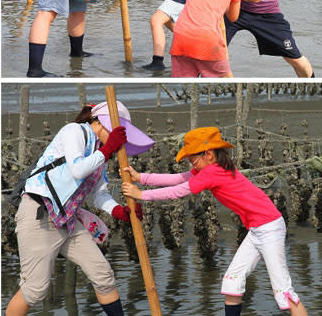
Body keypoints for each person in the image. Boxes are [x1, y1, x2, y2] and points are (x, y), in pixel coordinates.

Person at [122, 126, 308, 316]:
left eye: (192, 159)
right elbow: (178, 178)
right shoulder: (214, 168)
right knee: (232, 282)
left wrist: (142, 195)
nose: (191, 164)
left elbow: (180, 191)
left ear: (208, 154)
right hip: (257, 230)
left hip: (269, 229)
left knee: (284, 292)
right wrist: (142, 177)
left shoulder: (213, 173)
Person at [5, 102, 154, 316]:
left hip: (67, 220)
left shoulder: (99, 155)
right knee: (35, 290)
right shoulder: (74, 131)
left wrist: (120, 212)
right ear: (103, 124)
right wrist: (108, 149)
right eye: (119, 132)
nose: (121, 141)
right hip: (39, 214)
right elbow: (77, 169)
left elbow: (100, 195)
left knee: (104, 276)